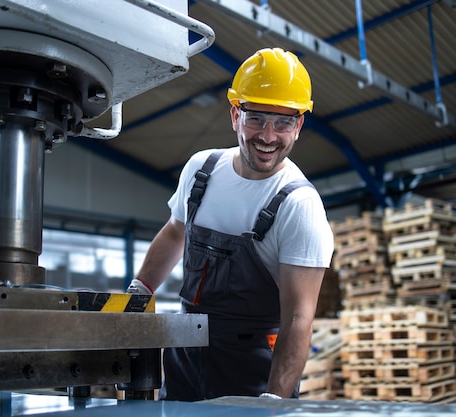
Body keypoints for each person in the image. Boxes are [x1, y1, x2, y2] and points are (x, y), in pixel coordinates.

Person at [128, 47, 335, 401]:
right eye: (256, 118)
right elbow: (176, 232)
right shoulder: (200, 170)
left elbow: (298, 319)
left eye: (283, 122)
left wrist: (274, 400)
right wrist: (139, 290)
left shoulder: (299, 206)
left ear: (298, 126)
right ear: (235, 115)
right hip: (184, 354)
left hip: (251, 369)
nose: (268, 136)